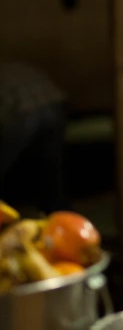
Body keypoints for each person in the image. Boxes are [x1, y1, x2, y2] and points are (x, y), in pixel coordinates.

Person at [0, 60, 69, 215]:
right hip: (56, 105)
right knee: (51, 168)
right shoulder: (14, 66)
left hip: (24, 111)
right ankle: (59, 213)